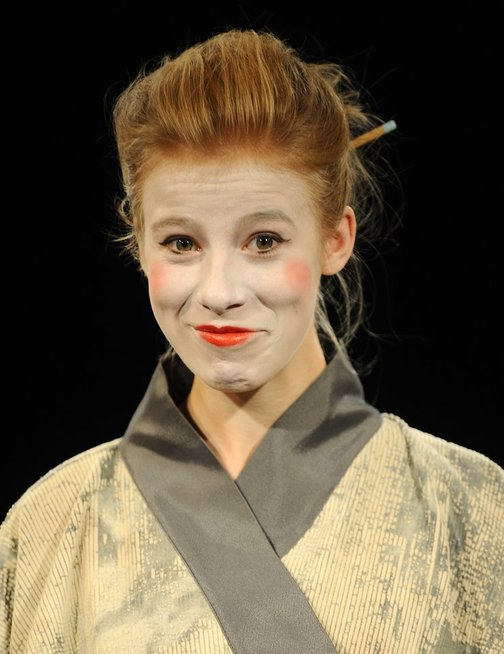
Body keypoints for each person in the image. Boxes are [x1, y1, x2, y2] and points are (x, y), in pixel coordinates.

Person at [1, 28, 502, 654]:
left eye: (264, 241)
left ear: (335, 240)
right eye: (181, 243)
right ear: (140, 247)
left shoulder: (473, 510)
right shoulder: (49, 526)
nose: (219, 292)